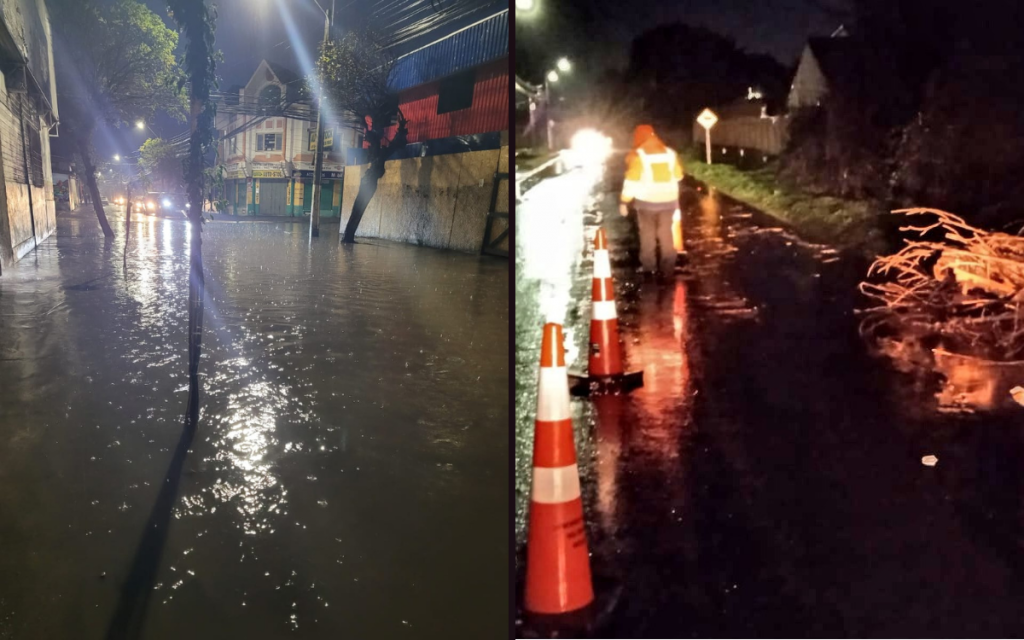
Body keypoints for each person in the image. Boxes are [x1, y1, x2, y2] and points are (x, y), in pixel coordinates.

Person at [619, 124, 684, 275]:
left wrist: (624, 201)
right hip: (668, 201)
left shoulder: (638, 156)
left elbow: (631, 182)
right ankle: (668, 268)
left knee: (647, 235)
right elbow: (679, 175)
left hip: (646, 203)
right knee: (666, 234)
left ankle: (649, 269)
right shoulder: (670, 153)